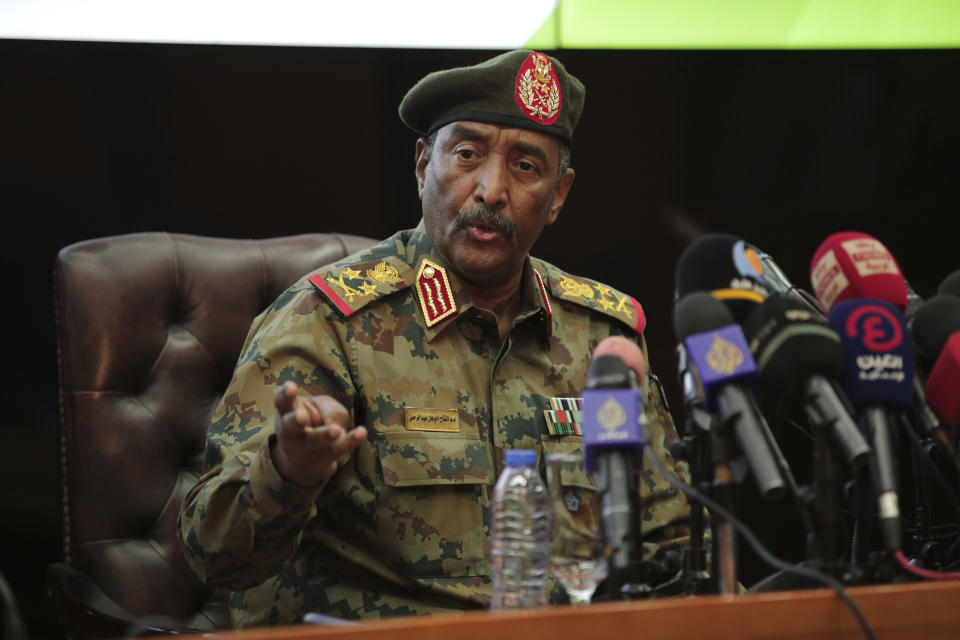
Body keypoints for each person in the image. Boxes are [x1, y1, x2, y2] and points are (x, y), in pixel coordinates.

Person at [178, 49, 693, 627]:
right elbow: (211, 552)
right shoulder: (328, 323)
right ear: (424, 164)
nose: (491, 190)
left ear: (559, 195)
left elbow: (668, 544)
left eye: (526, 166)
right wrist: (289, 471)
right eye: (467, 155)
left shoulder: (601, 336)